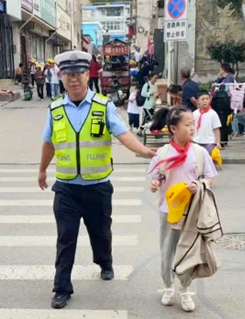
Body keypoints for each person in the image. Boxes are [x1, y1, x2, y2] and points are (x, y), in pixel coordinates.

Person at [38, 50, 157, 310]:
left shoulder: (104, 106)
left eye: (79, 74)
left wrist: (145, 151)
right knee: (65, 239)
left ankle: (105, 261)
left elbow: (123, 134)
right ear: (62, 77)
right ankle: (61, 288)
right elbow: (49, 143)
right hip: (67, 188)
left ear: (87, 75)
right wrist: (42, 170)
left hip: (98, 188)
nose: (74, 80)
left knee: (100, 234)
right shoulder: (56, 109)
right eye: (68, 74)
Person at [147, 106, 217, 312]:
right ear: (173, 129)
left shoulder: (199, 152)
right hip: (168, 212)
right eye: (187, 125)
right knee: (167, 251)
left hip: (192, 212)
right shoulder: (162, 153)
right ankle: (168, 286)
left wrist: (201, 185)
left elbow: (209, 177)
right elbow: (156, 177)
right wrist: (155, 184)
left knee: (188, 252)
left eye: (192, 124)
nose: (192, 128)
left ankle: (185, 289)